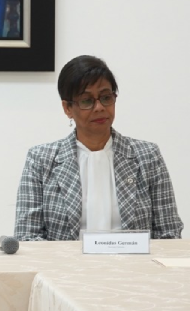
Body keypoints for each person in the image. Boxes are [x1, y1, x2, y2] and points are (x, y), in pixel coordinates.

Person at [14, 55, 182, 241]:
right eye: (87, 100)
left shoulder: (147, 156)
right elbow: (27, 236)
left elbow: (169, 234)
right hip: (66, 269)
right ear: (67, 108)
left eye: (106, 97)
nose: (99, 107)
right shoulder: (41, 159)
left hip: (133, 268)